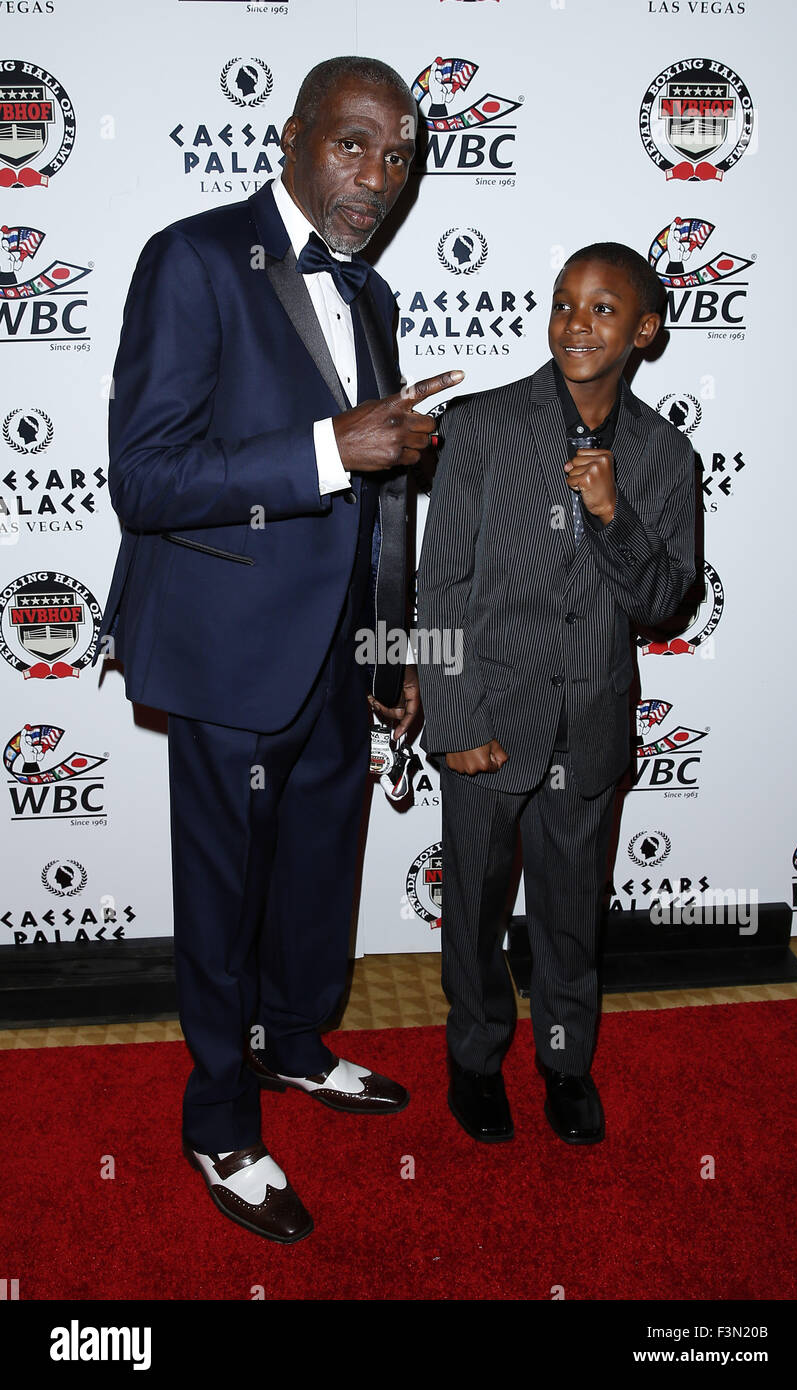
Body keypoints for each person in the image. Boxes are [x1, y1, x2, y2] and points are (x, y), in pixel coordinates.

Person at [98, 55, 462, 1242]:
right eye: (353, 144)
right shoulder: (194, 258)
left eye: (399, 155)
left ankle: (297, 1048)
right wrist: (322, 449)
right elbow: (143, 481)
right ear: (296, 134)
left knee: (317, 875)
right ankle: (217, 1121)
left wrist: (393, 645)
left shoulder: (370, 294)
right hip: (226, 651)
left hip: (337, 650)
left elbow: (384, 500)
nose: (377, 176)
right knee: (223, 896)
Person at [416, 243, 695, 1146]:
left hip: (586, 733)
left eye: (604, 309)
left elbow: (662, 603)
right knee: (476, 911)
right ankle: (474, 1057)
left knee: (573, 921)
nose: (579, 322)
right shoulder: (483, 426)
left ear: (645, 331)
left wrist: (615, 515)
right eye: (564, 303)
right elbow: (442, 582)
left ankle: (566, 1064)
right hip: (487, 727)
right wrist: (454, 720)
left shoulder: (664, 454)